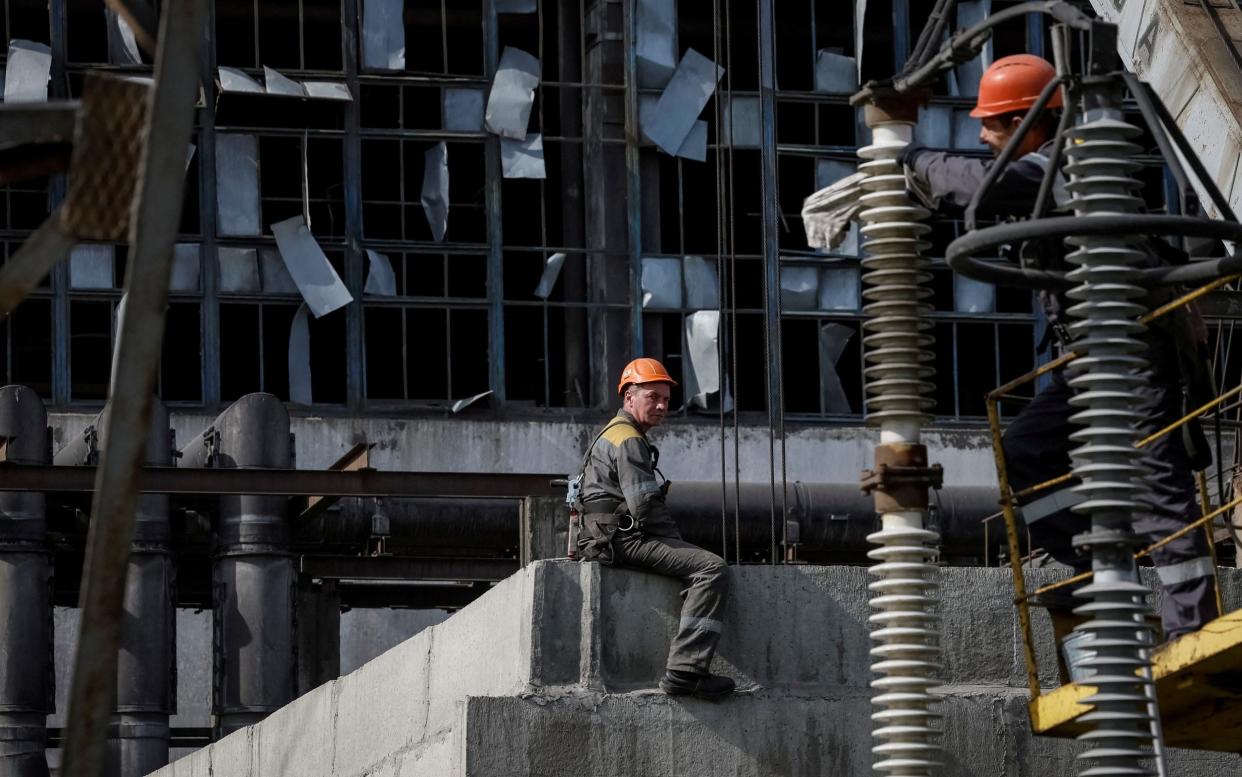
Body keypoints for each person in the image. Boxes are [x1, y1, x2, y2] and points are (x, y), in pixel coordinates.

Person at [902, 54, 1218, 642]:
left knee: (1155, 484)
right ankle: (1088, 563)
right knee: (1025, 450)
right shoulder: (1055, 171)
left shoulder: (1067, 168)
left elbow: (977, 187)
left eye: (994, 124)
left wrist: (910, 157)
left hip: (1130, 354)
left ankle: (1194, 631)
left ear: (1031, 121)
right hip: (1091, 358)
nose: (982, 135)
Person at [575, 357, 735, 700]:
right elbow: (645, 506)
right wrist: (677, 546)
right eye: (653, 397)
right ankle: (686, 671)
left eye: (665, 399)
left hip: (605, 537)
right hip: (621, 538)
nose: (662, 406)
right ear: (629, 397)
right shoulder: (629, 440)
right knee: (710, 568)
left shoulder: (612, 433)